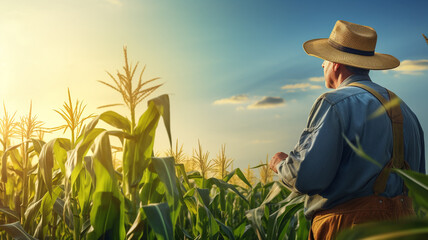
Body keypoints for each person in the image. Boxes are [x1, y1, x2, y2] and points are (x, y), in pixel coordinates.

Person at [269, 20, 425, 239]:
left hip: (348, 228)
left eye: (324, 59)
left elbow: (307, 178)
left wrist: (280, 165)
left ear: (336, 64)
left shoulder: (334, 103)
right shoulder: (407, 112)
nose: (322, 65)